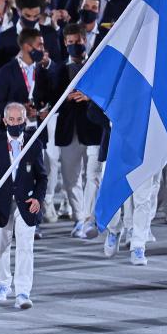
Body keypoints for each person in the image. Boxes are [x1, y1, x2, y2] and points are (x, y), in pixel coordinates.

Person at [0, 103, 47, 308]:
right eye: (12, 120)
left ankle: (23, 291)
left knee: (26, 248)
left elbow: (42, 177)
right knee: (0, 246)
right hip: (0, 205)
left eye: (19, 120)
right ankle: (3, 283)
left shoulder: (34, 143)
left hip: (26, 205)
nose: (15, 123)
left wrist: (38, 198)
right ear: (5, 120)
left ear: (24, 121)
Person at [51, 24, 103, 238]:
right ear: (65, 43)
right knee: (71, 178)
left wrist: (89, 96)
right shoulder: (57, 69)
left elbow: (107, 93)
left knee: (94, 176)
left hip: (93, 129)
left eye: (78, 42)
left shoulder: (97, 65)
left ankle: (90, 218)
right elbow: (51, 97)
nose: (75, 46)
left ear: (85, 40)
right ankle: (80, 218)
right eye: (70, 42)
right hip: (68, 130)